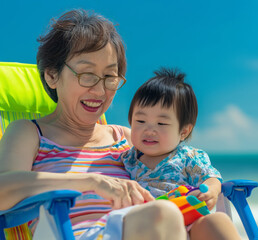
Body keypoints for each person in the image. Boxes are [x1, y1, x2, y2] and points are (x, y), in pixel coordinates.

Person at [0, 9, 187, 240]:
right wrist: (91, 182)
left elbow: (176, 174)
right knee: (162, 214)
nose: (99, 91)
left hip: (134, 229)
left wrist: (208, 185)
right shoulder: (29, 133)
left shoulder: (127, 139)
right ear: (51, 76)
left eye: (110, 77)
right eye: (87, 75)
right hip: (72, 234)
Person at [122, 67, 242, 240]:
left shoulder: (188, 157)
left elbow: (211, 176)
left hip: (188, 224)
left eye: (161, 123)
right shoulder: (128, 159)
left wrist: (210, 191)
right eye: (140, 121)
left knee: (217, 220)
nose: (149, 130)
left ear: (183, 131)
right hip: (146, 229)